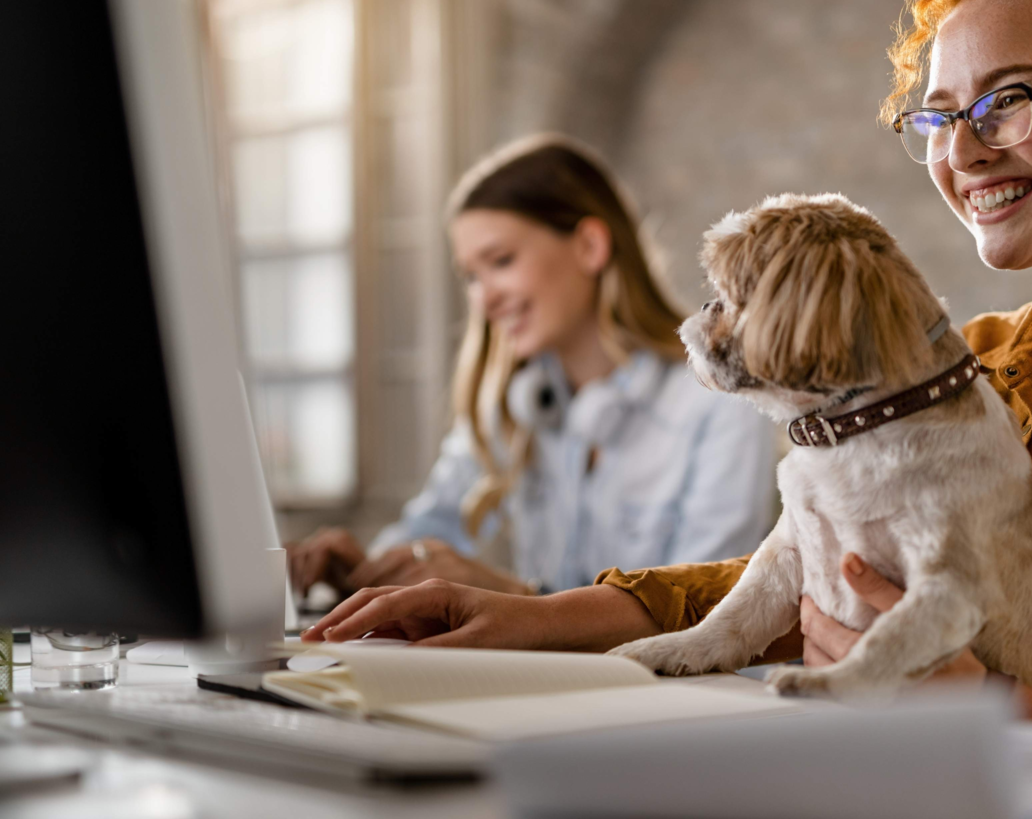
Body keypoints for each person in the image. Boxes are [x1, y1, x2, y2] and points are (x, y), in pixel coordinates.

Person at [304, 0, 1032, 806]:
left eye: (1009, 98)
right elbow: (800, 562)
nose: (963, 149)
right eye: (937, 117)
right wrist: (533, 619)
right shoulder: (970, 368)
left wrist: (999, 707)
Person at [288, 135, 777, 597]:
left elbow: (702, 614)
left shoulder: (722, 406)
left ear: (589, 246)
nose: (485, 298)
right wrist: (362, 570)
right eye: (471, 277)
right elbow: (426, 535)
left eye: (500, 260)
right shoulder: (516, 402)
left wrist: (514, 601)